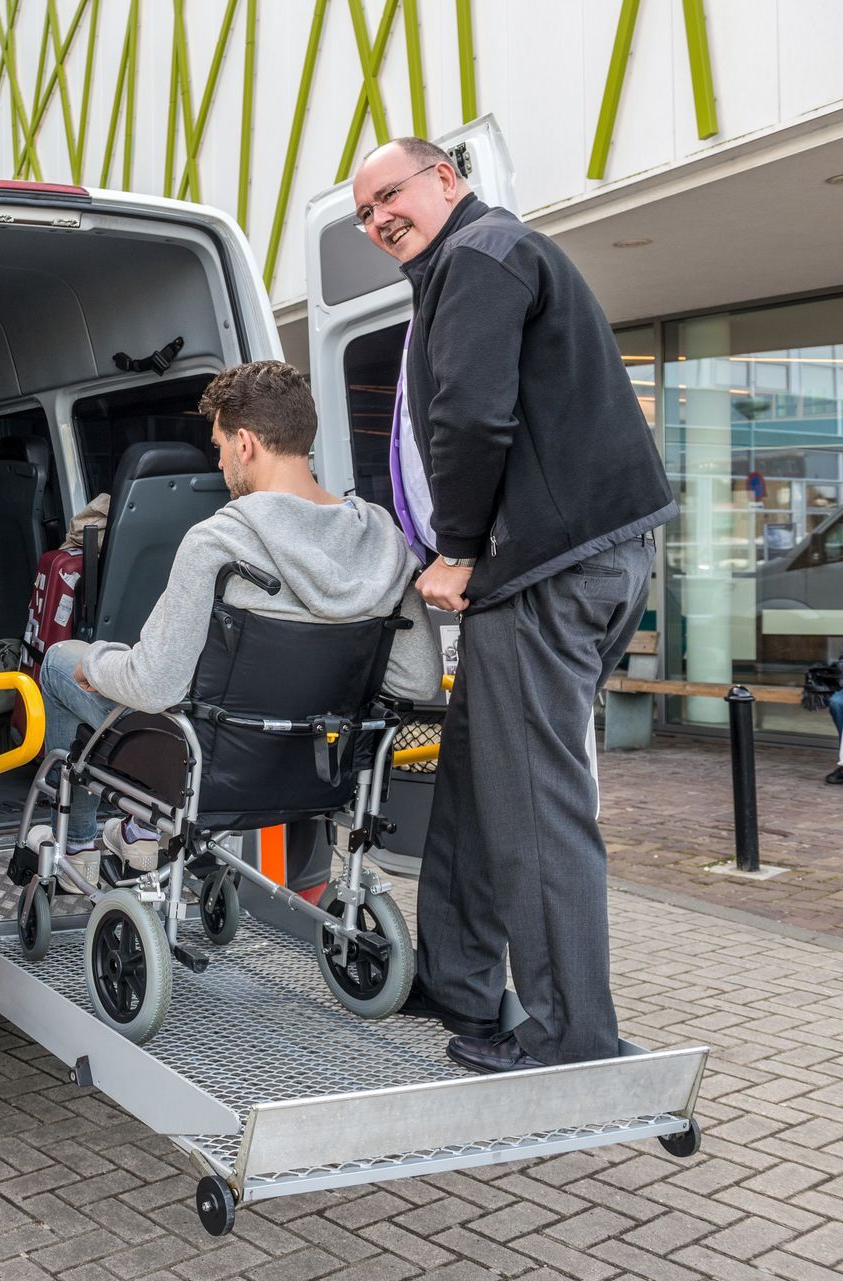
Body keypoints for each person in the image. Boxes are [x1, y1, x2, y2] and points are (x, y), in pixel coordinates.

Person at [351, 137, 676, 1073]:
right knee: (478, 777)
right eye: (364, 213)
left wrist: (455, 551)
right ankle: (455, 977)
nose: (378, 221)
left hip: (547, 572)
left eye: (390, 196)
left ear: (447, 178)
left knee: (534, 803)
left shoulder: (481, 256)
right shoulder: (472, 259)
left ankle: (571, 1034)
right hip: (568, 565)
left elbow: (471, 414)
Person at [37, 359, 441, 879]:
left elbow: (155, 683)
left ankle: (75, 845)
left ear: (245, 443)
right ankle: (138, 831)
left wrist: (96, 663)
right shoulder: (383, 539)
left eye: (220, 447)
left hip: (212, 766)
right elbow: (419, 678)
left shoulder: (218, 541)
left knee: (57, 662)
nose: (222, 462)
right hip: (322, 766)